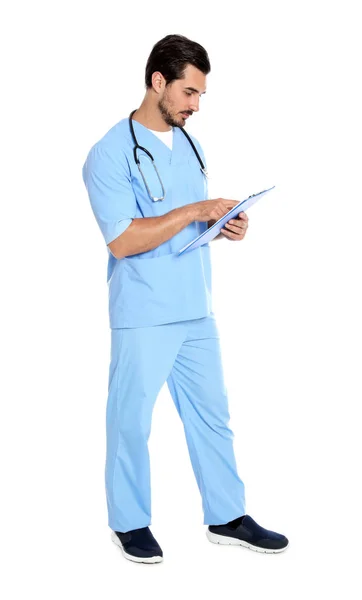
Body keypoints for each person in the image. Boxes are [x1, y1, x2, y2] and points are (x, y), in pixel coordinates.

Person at [82, 33, 288, 564]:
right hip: (144, 311)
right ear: (158, 82)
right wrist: (197, 213)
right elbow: (124, 239)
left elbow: (180, 218)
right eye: (189, 93)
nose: (196, 105)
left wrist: (223, 226)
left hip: (196, 308)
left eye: (199, 95)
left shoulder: (189, 144)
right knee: (130, 421)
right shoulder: (108, 152)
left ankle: (227, 516)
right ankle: (129, 523)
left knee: (212, 416)